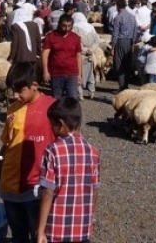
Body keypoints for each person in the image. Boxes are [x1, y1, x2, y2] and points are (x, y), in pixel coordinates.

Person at [0, 63, 56, 242]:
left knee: (39, 234)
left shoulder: (53, 108)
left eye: (20, 91)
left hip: (37, 187)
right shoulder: (12, 110)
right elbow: (6, 147)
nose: (16, 95)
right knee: (18, 235)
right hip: (10, 186)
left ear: (34, 85)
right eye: (13, 90)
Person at [37, 97, 101, 243]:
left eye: (52, 125)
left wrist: (40, 231)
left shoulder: (52, 151)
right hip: (82, 230)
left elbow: (47, 191)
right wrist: (90, 216)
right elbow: (95, 189)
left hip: (57, 229)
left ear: (60, 124)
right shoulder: (93, 152)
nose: (51, 129)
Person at [42, 14, 83, 99]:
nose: (67, 28)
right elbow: (45, 53)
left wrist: (79, 74)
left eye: (69, 26)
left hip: (72, 73)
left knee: (72, 99)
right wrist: (45, 71)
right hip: (56, 73)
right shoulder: (51, 36)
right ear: (60, 24)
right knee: (56, 100)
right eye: (64, 26)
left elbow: (78, 56)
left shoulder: (75, 38)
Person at [111, 0, 138, 92]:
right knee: (127, 64)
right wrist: (133, 42)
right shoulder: (132, 16)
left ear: (117, 6)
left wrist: (113, 45)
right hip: (130, 41)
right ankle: (126, 84)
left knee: (119, 64)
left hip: (121, 41)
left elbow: (115, 33)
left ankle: (122, 86)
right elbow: (135, 30)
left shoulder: (118, 17)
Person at [72, 12, 101, 100]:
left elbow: (76, 42)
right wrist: (91, 50)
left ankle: (80, 93)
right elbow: (97, 40)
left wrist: (84, 50)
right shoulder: (91, 27)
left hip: (80, 54)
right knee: (90, 73)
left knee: (79, 73)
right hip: (90, 54)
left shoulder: (75, 28)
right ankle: (91, 92)